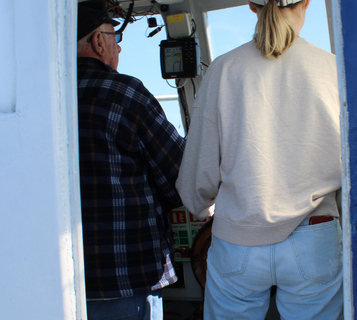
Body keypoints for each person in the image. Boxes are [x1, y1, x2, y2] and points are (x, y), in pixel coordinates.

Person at [176, 0, 343, 319]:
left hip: (238, 238)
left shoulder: (224, 69)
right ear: (306, 2)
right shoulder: (334, 69)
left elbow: (198, 176)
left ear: (252, 6)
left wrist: (200, 204)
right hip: (315, 233)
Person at [76, 1, 185, 319]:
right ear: (98, 41)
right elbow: (179, 179)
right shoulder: (125, 94)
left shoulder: (35, 99)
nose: (119, 49)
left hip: (50, 279)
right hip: (126, 279)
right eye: (115, 37)